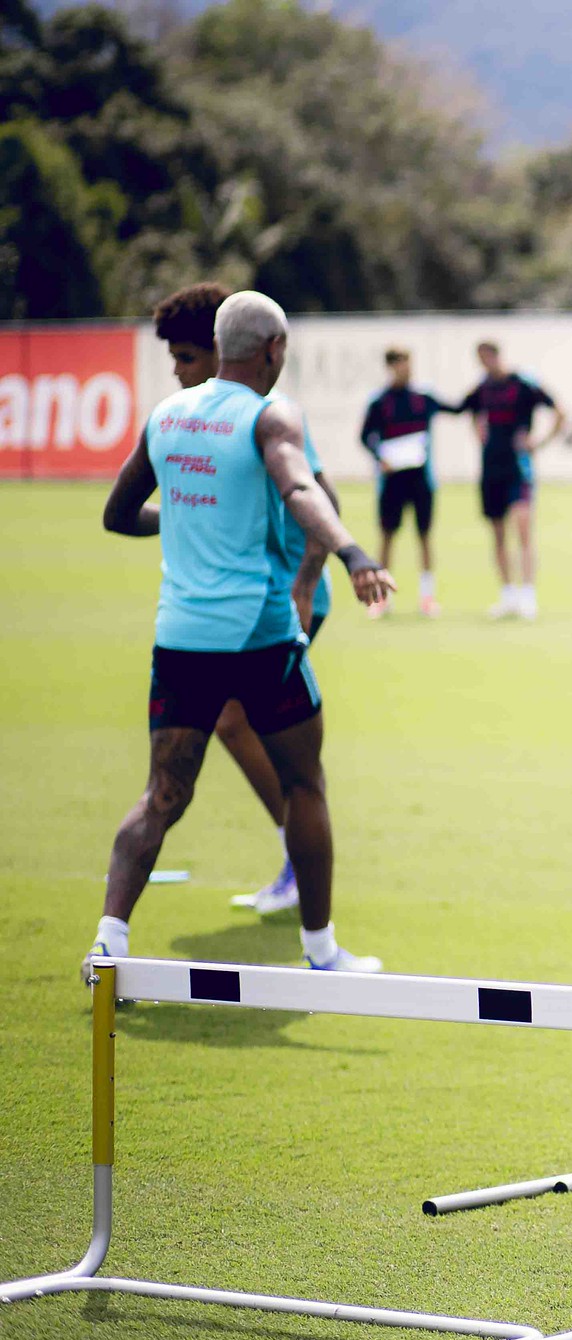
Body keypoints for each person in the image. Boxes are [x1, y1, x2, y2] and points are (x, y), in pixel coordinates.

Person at [91, 290, 393, 976]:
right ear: (275, 350)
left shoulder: (166, 415)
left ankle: (108, 940)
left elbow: (117, 514)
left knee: (160, 795)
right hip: (259, 634)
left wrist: (186, 520)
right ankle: (321, 951)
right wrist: (353, 554)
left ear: (217, 348)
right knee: (305, 783)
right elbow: (302, 491)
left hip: (182, 637)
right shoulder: (270, 415)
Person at [148, 282, 340, 917]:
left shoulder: (266, 413)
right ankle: (297, 851)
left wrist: (306, 587)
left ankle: (297, 853)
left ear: (218, 352)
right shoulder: (207, 415)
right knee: (234, 722)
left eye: (185, 357)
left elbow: (324, 503)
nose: (177, 371)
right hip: (247, 605)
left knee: (238, 724)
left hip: (280, 597)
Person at [453, 341, 561, 619]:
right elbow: (468, 411)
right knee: (498, 535)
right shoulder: (482, 388)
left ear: (498, 356)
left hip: (518, 468)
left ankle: (528, 595)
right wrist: (478, 433)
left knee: (523, 529)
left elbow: (559, 411)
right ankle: (508, 595)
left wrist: (539, 442)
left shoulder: (522, 384)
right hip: (491, 469)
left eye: (488, 357)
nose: (486, 363)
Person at [359, 347, 453, 618]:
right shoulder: (381, 401)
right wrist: (380, 456)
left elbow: (456, 407)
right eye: (400, 363)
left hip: (421, 479)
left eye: (408, 362)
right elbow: (366, 436)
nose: (406, 368)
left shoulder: (423, 397)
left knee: (424, 536)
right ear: (391, 366)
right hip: (392, 480)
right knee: (387, 536)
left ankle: (427, 597)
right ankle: (381, 599)